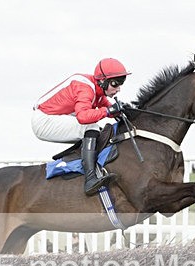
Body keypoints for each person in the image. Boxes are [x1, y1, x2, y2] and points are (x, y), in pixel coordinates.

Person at [32, 58, 130, 195]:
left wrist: (121, 111)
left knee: (99, 134)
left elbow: (106, 106)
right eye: (115, 84)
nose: (118, 89)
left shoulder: (97, 90)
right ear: (102, 81)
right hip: (44, 121)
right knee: (91, 128)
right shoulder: (86, 88)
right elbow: (83, 117)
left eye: (121, 84)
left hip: (52, 117)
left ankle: (86, 167)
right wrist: (108, 111)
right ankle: (90, 179)